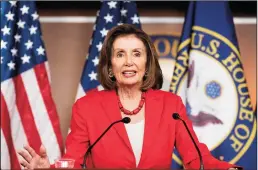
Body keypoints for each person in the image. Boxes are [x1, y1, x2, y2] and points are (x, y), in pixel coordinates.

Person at [18, 24, 241, 169]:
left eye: (136, 54)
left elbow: (195, 158)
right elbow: (75, 162)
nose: (128, 62)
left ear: (147, 63)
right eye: (120, 54)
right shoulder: (87, 107)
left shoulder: (170, 105)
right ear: (110, 64)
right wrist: (49, 169)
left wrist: (228, 169)